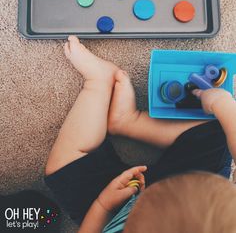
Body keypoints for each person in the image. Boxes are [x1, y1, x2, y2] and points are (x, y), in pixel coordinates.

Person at [45, 36, 235, 231]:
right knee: (219, 131)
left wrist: (103, 205)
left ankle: (99, 81)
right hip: (197, 187)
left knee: (62, 170)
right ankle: (128, 121)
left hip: (116, 213)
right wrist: (222, 103)